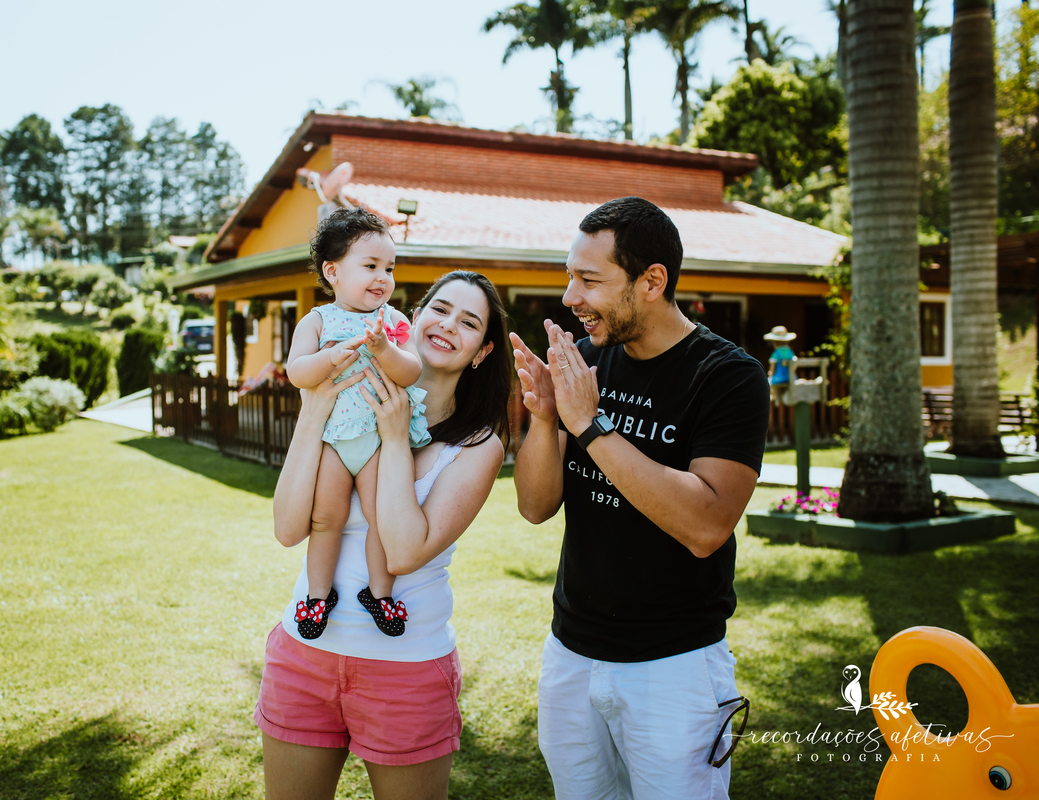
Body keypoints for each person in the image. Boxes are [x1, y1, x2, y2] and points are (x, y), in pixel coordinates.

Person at [511, 197, 769, 800]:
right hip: (570, 652)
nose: (571, 297)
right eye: (569, 276)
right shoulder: (590, 361)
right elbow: (535, 505)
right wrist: (548, 419)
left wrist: (592, 426)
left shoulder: (726, 376)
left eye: (590, 280)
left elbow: (706, 523)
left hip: (673, 667)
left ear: (652, 281)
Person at [259, 270, 512, 799]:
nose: (447, 326)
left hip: (406, 669)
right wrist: (313, 415)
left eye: (468, 323)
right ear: (411, 319)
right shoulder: (343, 396)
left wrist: (396, 438)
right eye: (438, 310)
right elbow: (287, 530)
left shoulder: (477, 445)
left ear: (482, 352)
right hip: (303, 657)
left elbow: (403, 550)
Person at [285, 207, 429, 639]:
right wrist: (329, 356)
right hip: (331, 440)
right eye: (370, 266)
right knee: (324, 518)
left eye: (389, 268)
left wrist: (385, 350)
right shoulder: (318, 321)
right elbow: (297, 372)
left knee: (379, 517)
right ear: (333, 272)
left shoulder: (395, 323)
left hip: (375, 440)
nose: (382, 277)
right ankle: (316, 596)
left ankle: (380, 593)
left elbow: (411, 372)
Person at [764, 325, 797, 406]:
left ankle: (772, 395)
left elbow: (772, 367)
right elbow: (795, 365)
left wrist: (770, 373)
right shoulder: (790, 352)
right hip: (791, 378)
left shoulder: (776, 353)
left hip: (778, 378)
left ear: (774, 342)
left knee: (767, 382)